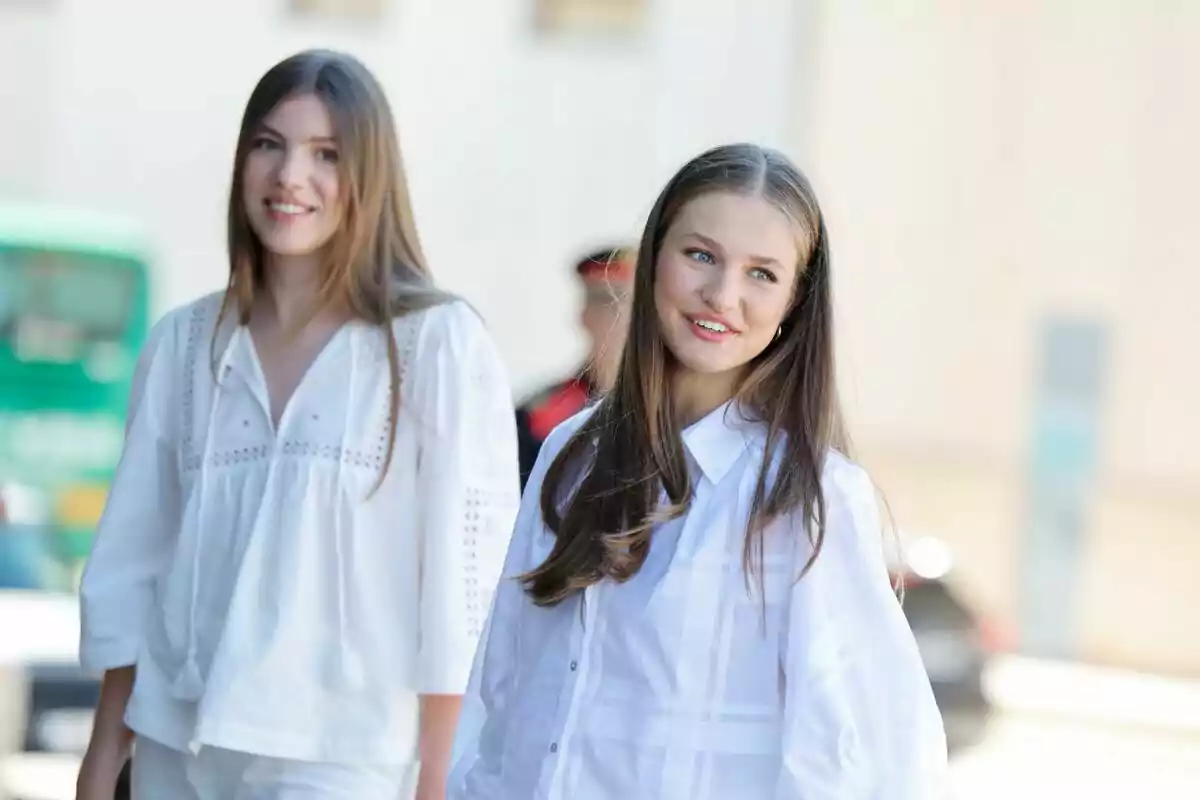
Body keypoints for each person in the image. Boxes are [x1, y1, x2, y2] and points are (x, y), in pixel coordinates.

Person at [75, 50, 521, 799]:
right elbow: (134, 559)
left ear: (369, 176)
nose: (290, 177)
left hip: (343, 758)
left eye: (327, 155)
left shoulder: (437, 344)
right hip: (174, 745)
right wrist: (100, 758)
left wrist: (440, 780)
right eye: (268, 144)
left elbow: (465, 590)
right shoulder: (185, 344)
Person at [448, 143, 948, 798]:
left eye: (762, 274)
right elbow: (505, 695)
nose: (722, 295)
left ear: (795, 303)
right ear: (655, 258)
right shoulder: (571, 454)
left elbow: (876, 751)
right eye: (702, 256)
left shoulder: (811, 498)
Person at [514, 245, 634, 488]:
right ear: (583, 314)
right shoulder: (542, 416)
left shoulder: (681, 411)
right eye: (604, 300)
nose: (620, 314)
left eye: (627, 299)